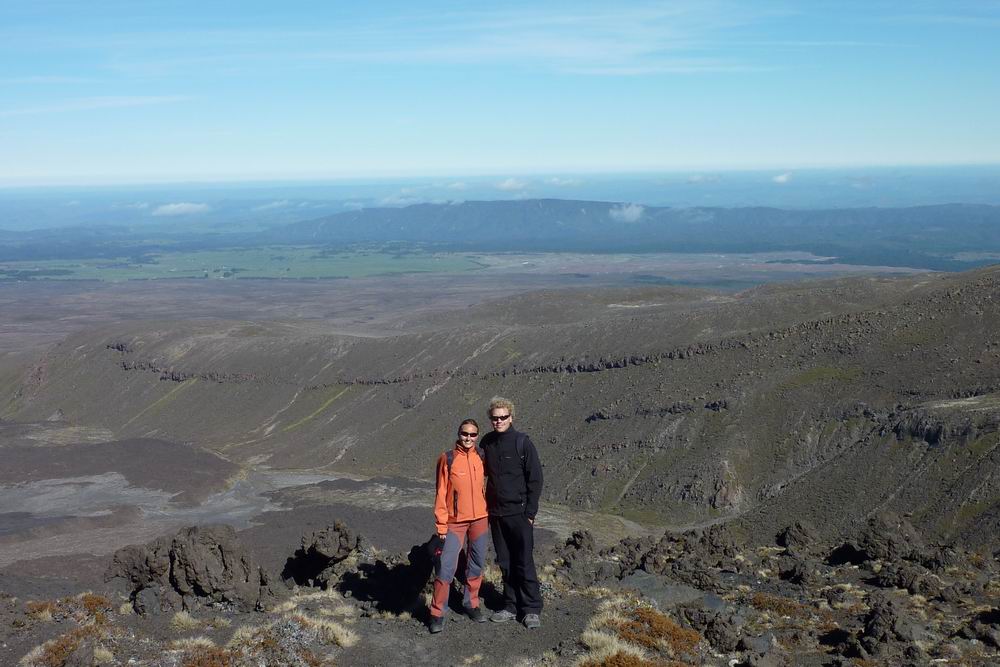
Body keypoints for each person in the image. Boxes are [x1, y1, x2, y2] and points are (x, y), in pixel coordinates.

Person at [480, 396, 544, 629]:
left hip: (519, 514)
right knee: (505, 562)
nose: (499, 421)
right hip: (496, 514)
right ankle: (510, 605)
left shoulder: (522, 442)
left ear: (511, 417)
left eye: (503, 417)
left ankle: (531, 609)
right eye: (495, 418)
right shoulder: (487, 442)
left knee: (524, 561)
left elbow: (535, 478)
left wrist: (530, 512)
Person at [428, 418, 489, 634]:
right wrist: (441, 526)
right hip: (455, 522)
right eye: (465, 434)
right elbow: (441, 493)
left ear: (477, 436)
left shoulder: (481, 456)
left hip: (480, 518)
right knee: (446, 567)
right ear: (459, 434)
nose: (469, 438)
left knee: (477, 563)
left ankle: (470, 603)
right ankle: (437, 613)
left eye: (473, 434)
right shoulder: (448, 459)